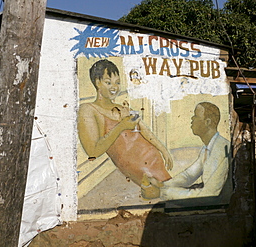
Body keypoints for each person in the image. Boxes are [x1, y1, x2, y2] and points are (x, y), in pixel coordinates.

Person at [77, 59, 173, 196]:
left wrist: (164, 150)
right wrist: (122, 126)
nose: (114, 87)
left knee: (169, 195)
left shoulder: (124, 109)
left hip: (153, 158)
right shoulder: (88, 109)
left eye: (117, 82)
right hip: (137, 168)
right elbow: (93, 151)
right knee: (161, 195)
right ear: (98, 83)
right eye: (108, 82)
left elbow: (145, 131)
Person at [156, 102, 231, 200]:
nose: (192, 119)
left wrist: (161, 193)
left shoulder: (221, 148)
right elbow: (189, 175)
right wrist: (161, 185)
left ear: (207, 122)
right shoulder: (207, 148)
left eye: (195, 116)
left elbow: (209, 193)